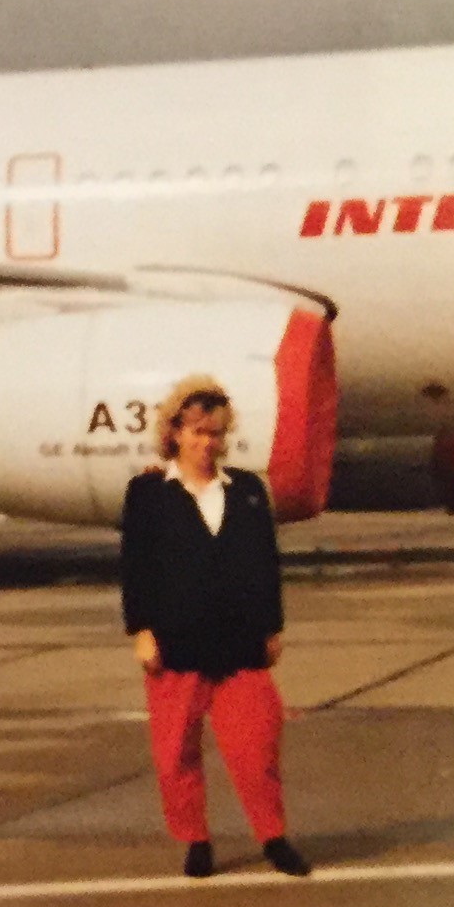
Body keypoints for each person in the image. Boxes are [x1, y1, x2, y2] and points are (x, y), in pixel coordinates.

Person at [120, 375, 311, 879]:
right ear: (176, 434)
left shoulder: (247, 490)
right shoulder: (147, 493)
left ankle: (272, 838)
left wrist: (272, 627)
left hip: (240, 643)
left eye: (217, 434)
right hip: (175, 643)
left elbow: (266, 563)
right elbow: (135, 565)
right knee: (174, 754)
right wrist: (140, 630)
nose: (209, 443)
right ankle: (196, 841)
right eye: (198, 432)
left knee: (257, 748)